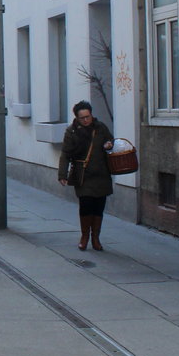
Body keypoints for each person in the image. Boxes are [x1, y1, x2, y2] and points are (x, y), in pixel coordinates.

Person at [57, 100, 114, 251]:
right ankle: (85, 236)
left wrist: (109, 144)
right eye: (83, 118)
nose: (86, 120)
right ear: (77, 118)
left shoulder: (100, 127)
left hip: (101, 173)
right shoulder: (72, 131)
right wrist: (62, 174)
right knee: (86, 205)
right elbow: (65, 154)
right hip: (83, 174)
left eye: (88, 116)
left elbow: (111, 140)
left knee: (99, 207)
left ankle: (96, 237)